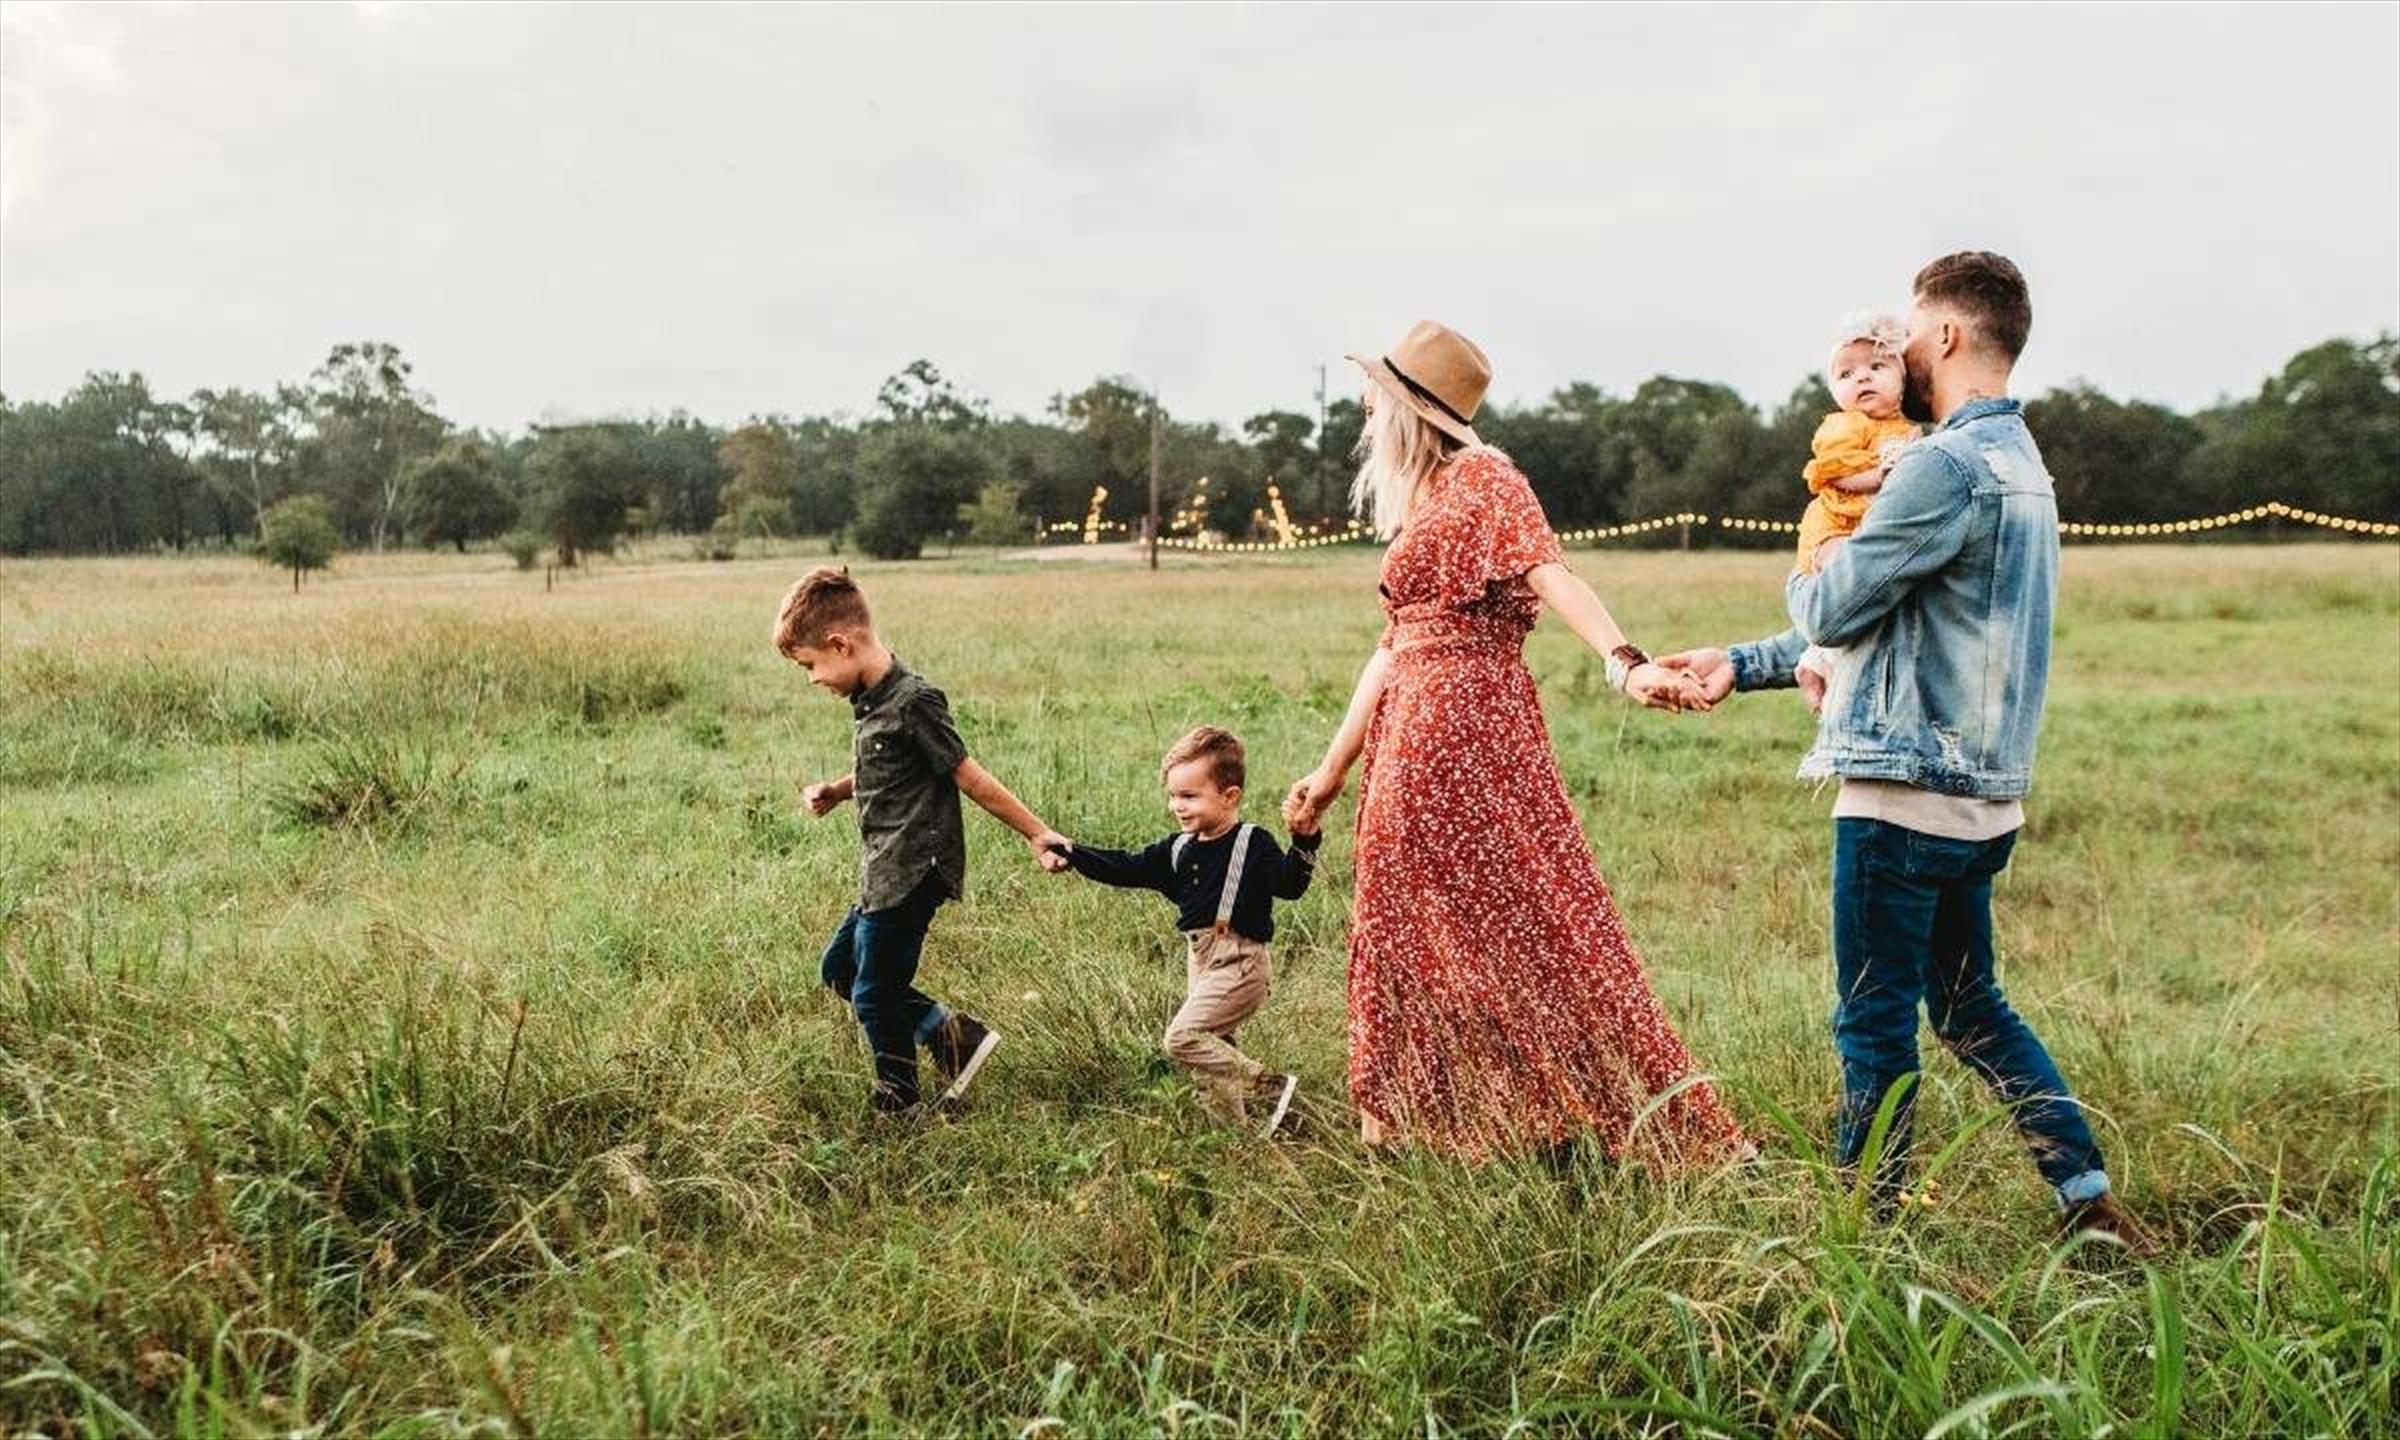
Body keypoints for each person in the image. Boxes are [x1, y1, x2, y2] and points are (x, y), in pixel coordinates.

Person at [1661, 253, 2155, 1251]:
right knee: (1973, 1008)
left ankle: (1867, 1230)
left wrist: (1813, 565)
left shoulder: (1937, 465)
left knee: (1873, 1021)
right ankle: (2087, 1200)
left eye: (1912, 331)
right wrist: (1744, 663)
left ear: (1949, 337)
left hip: (1901, 796)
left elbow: (1840, 603)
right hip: (1982, 802)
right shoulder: (2022, 464)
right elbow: (1902, 624)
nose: (1900, 350)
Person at [1282, 319, 1751, 1164]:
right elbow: (1390, 649)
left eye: (1375, 396)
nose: (1362, 408)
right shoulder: (1424, 497)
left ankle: (1561, 1111)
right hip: (1411, 722)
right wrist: (1329, 772)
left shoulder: (1486, 479)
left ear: (1410, 409)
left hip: (1463, 722)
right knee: (1405, 915)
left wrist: (1624, 663)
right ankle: (1416, 1121)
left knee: (1524, 915)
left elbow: (1551, 573)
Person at [776, 566, 1071, 1115]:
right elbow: (888, 770)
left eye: (810, 665)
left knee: (874, 992)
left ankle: (900, 1100)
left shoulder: (914, 701)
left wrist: (1038, 833)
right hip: (882, 869)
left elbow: (969, 776)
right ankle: (953, 1038)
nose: (812, 679)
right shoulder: (870, 702)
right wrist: (840, 791)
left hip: (913, 870)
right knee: (840, 970)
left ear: (840, 644)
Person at [1047, 726, 1318, 1136]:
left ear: (1230, 797)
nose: (1177, 805)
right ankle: (1233, 1140)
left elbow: (1291, 886)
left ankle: (1268, 1087)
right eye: (1173, 795)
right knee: (1213, 1057)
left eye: (1190, 796)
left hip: (1242, 962)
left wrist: (1305, 838)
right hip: (1201, 961)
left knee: (1183, 1038)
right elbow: (1125, 866)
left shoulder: (1252, 842)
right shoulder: (1178, 849)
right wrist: (1072, 852)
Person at [1793, 313, 1921, 712]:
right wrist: (1878, 476)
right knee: (1848, 579)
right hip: (1834, 526)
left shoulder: (1910, 429)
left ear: (1903, 378)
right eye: (1847, 374)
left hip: (1867, 527)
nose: (1862, 378)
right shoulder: (1845, 425)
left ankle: (1818, 661)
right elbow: (1835, 473)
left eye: (1877, 367)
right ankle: (1822, 663)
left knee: (1870, 594)